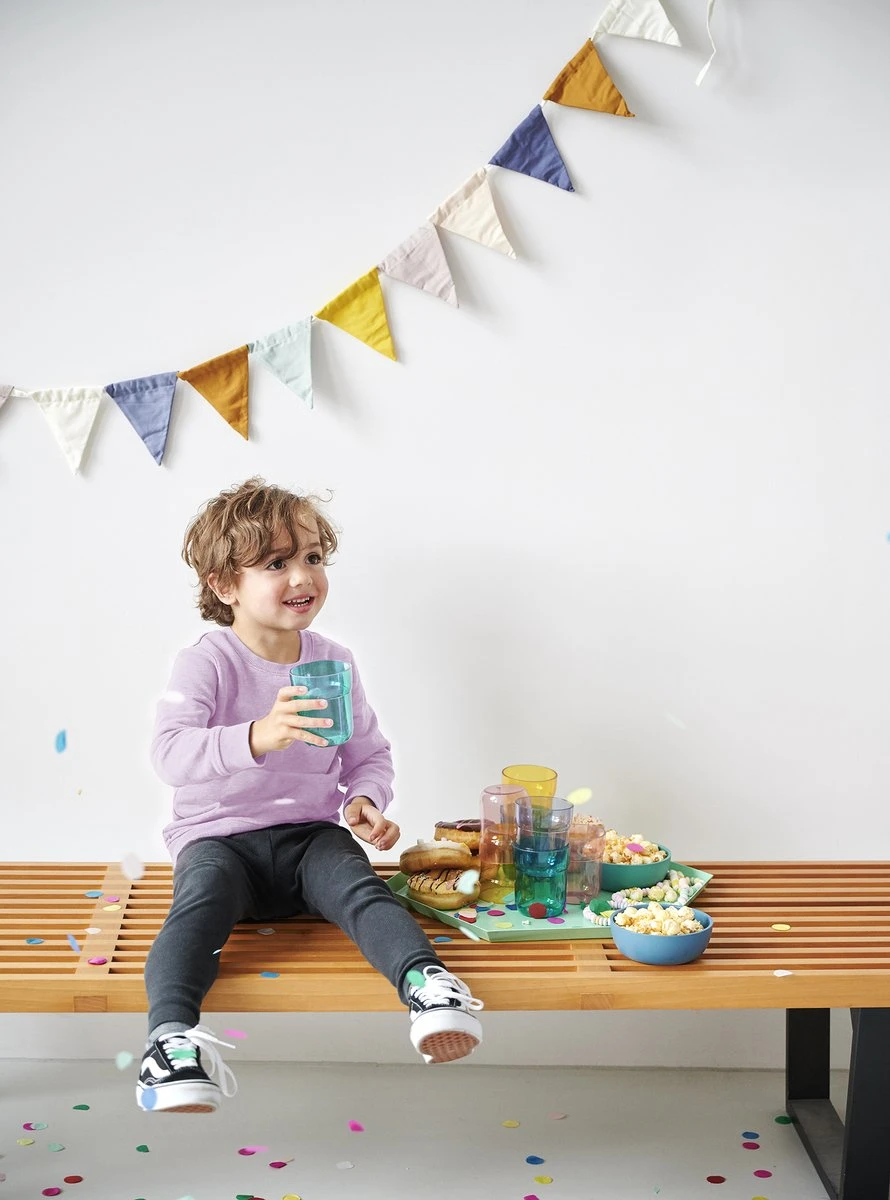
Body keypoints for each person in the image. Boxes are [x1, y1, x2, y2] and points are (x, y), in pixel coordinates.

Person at [138, 477, 483, 1113]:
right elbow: (169, 753)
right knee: (198, 905)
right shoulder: (207, 662)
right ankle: (169, 1043)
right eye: (276, 563)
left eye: (313, 557)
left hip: (309, 837)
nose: (303, 576)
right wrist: (257, 736)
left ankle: (429, 989)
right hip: (218, 839)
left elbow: (367, 753)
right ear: (224, 585)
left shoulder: (333, 662)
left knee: (362, 887)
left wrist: (364, 799)